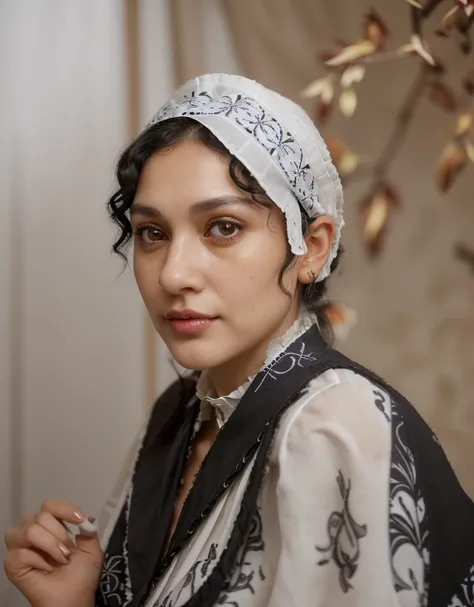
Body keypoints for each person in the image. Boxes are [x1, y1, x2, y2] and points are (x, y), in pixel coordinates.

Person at [4, 73, 474, 607]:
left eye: (223, 227)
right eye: (152, 233)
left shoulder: (334, 426)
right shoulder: (179, 413)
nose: (175, 274)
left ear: (311, 248)